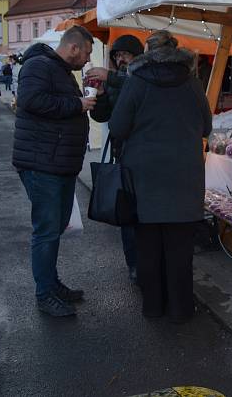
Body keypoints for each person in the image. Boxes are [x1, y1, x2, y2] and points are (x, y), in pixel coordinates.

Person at [109, 30, 212, 322]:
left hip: (144, 179)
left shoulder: (136, 81)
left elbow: (117, 127)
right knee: (180, 249)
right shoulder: (192, 84)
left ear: (147, 51)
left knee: (148, 247)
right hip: (184, 177)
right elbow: (206, 127)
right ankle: (181, 309)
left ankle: (153, 307)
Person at [12, 26, 96, 317]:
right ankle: (44, 294)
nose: (87, 59)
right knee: (47, 230)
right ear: (73, 47)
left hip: (56, 162)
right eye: (86, 53)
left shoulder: (57, 69)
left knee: (55, 226)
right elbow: (31, 101)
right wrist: (77, 104)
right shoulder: (38, 65)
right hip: (42, 163)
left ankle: (51, 283)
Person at [85, 34, 145, 284]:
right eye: (117, 55)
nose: (120, 59)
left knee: (145, 215)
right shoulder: (115, 80)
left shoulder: (140, 77)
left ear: (137, 56)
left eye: (125, 55)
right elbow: (103, 117)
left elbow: (133, 81)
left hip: (145, 155)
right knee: (128, 214)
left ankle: (148, 262)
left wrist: (108, 77)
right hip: (124, 156)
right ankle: (134, 264)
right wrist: (98, 96)